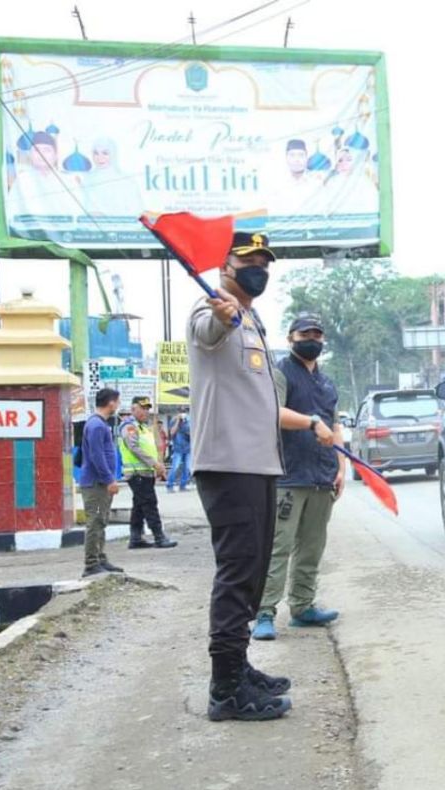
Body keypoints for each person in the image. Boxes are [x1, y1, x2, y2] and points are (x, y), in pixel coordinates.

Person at [188, 230, 337, 722]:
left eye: (264, 261)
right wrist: (221, 314)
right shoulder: (210, 310)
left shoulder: (252, 319)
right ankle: (225, 690)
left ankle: (240, 667)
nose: (259, 268)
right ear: (224, 264)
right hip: (227, 463)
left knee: (252, 575)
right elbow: (209, 331)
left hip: (259, 463)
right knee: (236, 576)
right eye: (248, 259)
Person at [252, 315, 345, 641]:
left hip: (322, 476)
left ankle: (303, 607)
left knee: (312, 547)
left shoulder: (327, 382)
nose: (313, 339)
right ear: (291, 338)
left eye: (318, 334)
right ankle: (264, 612)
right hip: (289, 477)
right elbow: (272, 413)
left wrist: (341, 468)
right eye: (306, 333)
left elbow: (334, 427)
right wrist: (310, 422)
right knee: (279, 547)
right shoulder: (279, 373)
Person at [117, 397, 177, 550]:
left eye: (147, 408)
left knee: (139, 506)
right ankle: (159, 536)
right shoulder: (129, 426)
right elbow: (134, 448)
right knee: (150, 504)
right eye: (142, 408)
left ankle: (136, 538)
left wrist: (157, 466)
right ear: (133, 409)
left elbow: (151, 447)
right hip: (137, 473)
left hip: (146, 473)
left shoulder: (143, 427)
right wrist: (155, 464)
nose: (145, 411)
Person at [79, 388, 124, 578]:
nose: (118, 405)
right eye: (118, 401)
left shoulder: (98, 424)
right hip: (96, 483)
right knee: (95, 522)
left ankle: (100, 558)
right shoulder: (97, 426)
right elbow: (97, 456)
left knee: (101, 521)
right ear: (111, 403)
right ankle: (91, 564)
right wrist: (109, 480)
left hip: (100, 483)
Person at [167, 412, 192, 492]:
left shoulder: (188, 422)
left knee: (187, 468)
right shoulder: (174, 421)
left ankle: (183, 485)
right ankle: (170, 485)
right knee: (175, 467)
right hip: (178, 449)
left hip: (188, 449)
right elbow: (172, 432)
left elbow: (191, 433)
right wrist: (178, 420)